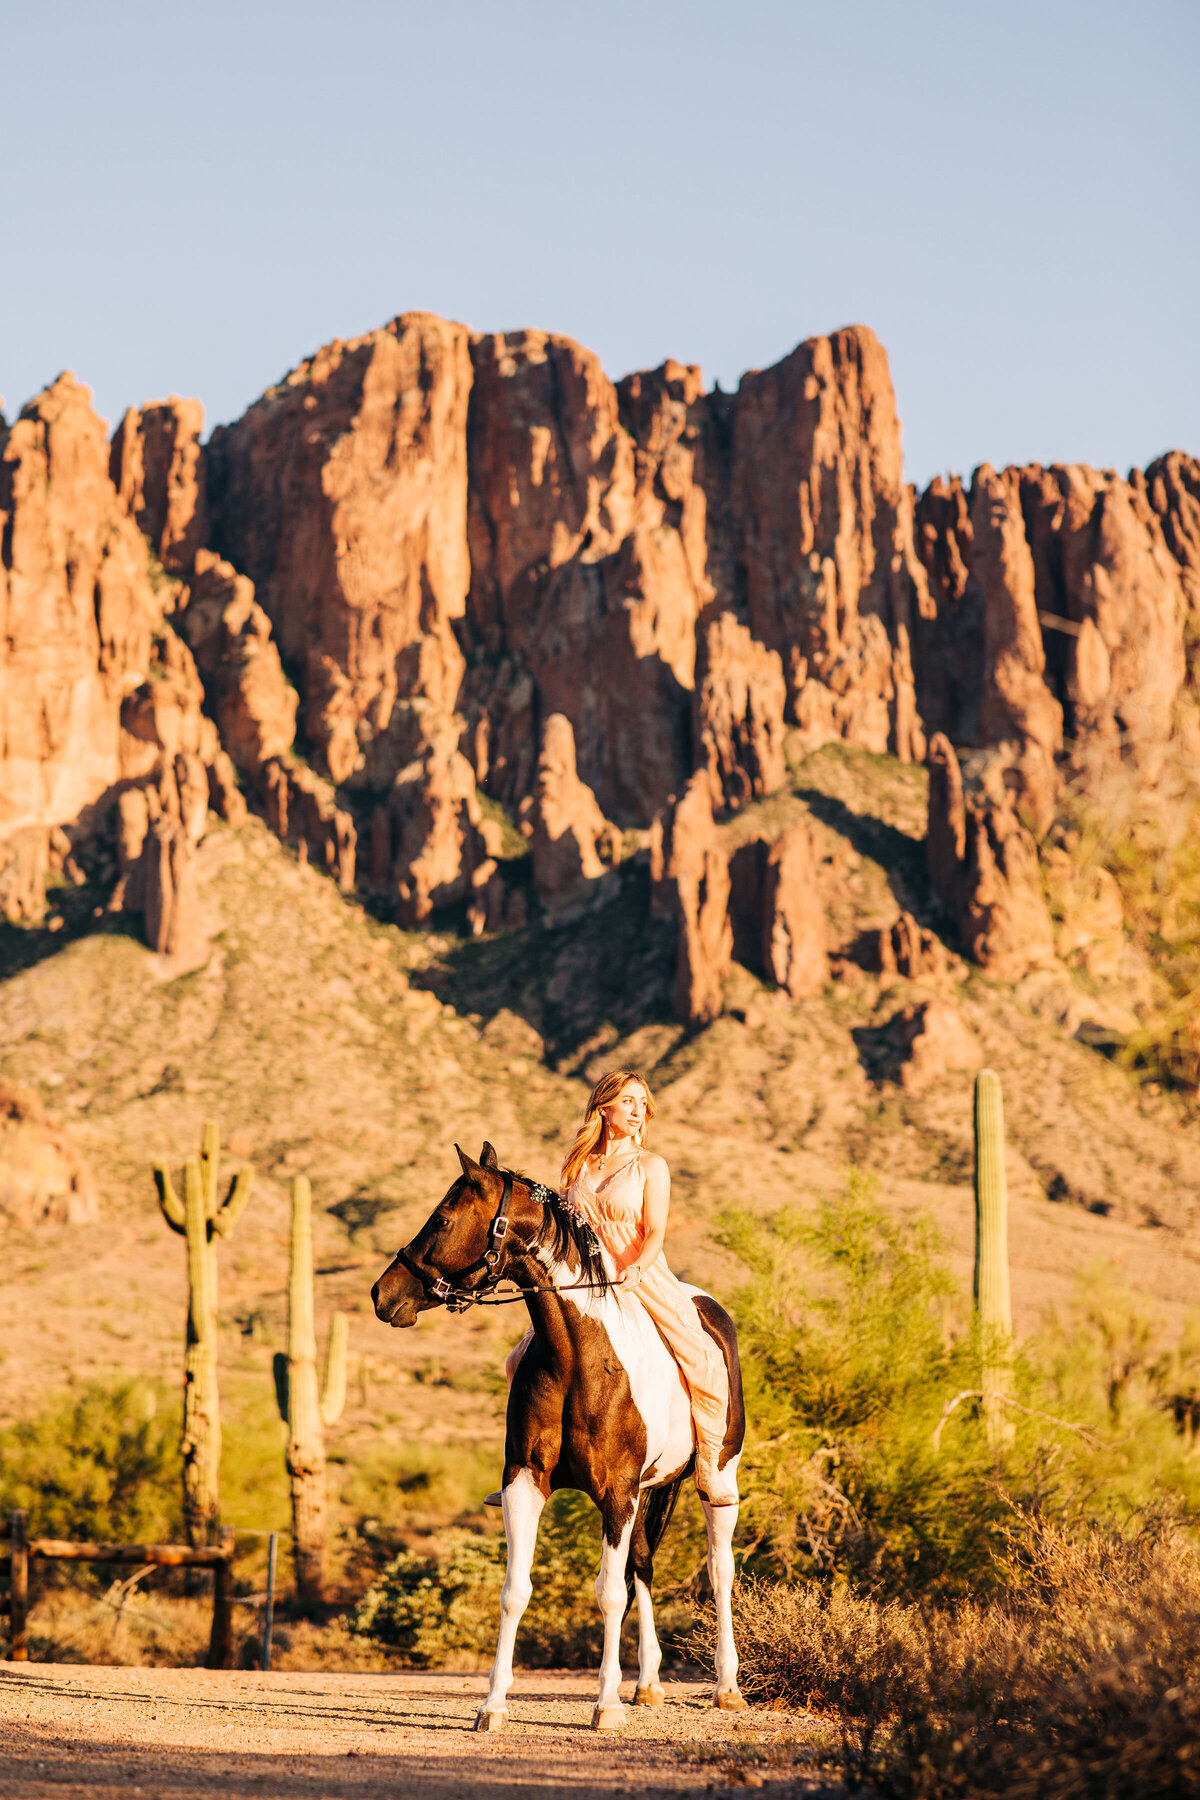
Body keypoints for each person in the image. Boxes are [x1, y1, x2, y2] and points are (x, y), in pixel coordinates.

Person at [491, 1069, 736, 1507]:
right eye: (629, 1101)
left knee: (705, 1361)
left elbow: (656, 1229)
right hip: (586, 1282)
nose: (639, 1110)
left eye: (643, 1102)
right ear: (604, 1108)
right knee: (516, 1362)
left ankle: (710, 1466)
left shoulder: (650, 1166)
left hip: (637, 1273)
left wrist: (639, 1268)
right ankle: (524, 1466)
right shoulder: (579, 1164)